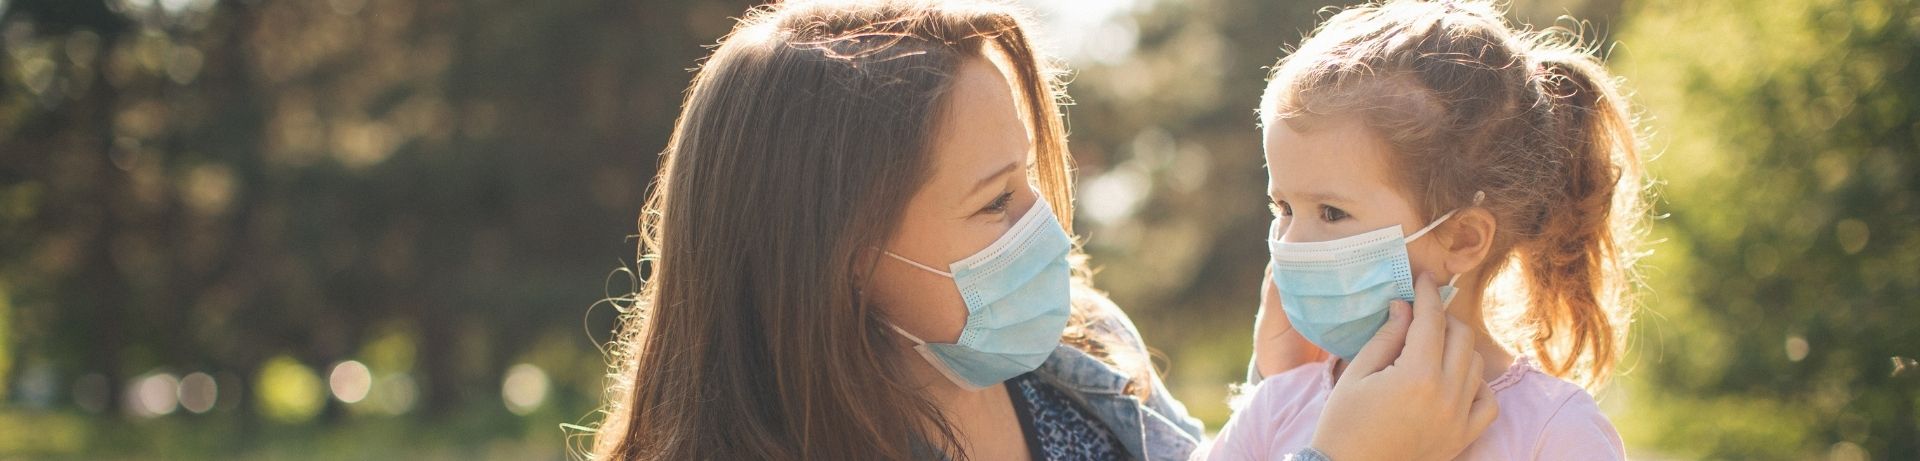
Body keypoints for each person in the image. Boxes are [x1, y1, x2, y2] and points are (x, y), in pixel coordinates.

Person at [591, 1, 1493, 459]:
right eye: (996, 201)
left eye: (1029, 177)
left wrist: (1280, 398)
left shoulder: (1083, 351)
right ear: (842, 254)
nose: (1050, 231)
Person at [1205, 1, 1648, 460]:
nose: (1290, 243)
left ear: (1463, 238)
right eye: (1283, 207)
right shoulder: (1273, 405)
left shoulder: (1555, 431)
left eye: (1332, 213)